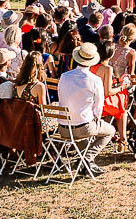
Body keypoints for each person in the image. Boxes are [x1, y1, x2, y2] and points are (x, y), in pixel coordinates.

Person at [56, 42, 115, 174]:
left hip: (63, 128)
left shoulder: (64, 77)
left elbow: (61, 98)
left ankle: (86, 161)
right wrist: (96, 119)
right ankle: (86, 159)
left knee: (84, 135)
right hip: (83, 127)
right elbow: (99, 106)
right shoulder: (94, 80)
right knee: (111, 130)